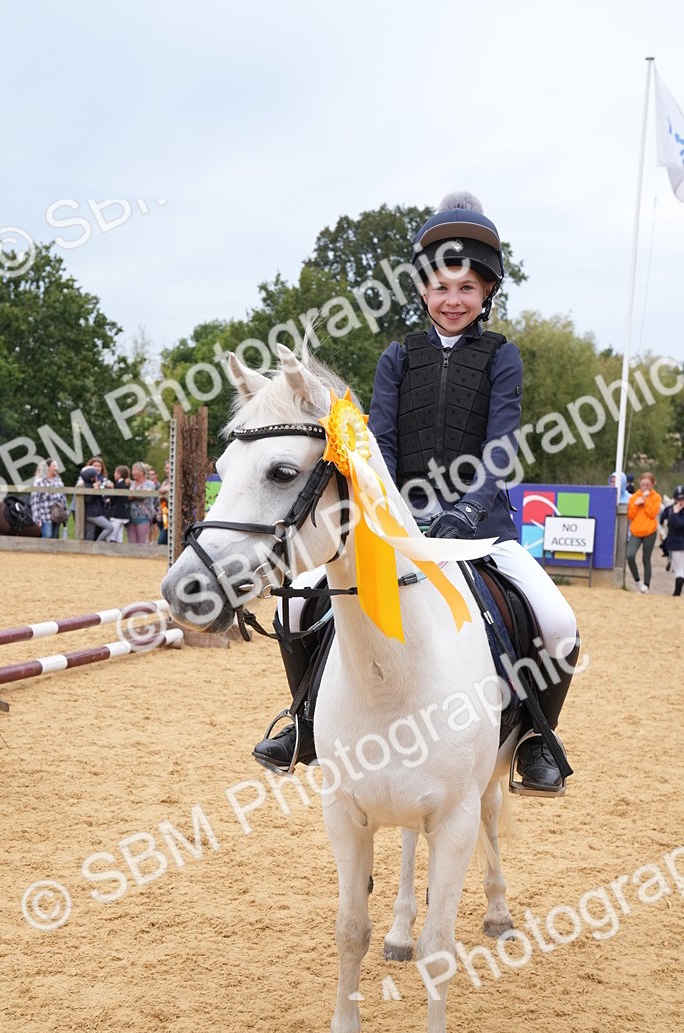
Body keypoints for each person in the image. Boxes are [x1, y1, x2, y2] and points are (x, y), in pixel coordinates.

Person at [253, 192, 579, 795]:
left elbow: (500, 445)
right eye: (441, 288)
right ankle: (301, 720)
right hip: (399, 524)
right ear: (424, 290)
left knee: (558, 622)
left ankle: (537, 738)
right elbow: (380, 444)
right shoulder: (397, 357)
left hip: (483, 529)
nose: (452, 301)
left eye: (467, 290)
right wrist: (402, 510)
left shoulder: (502, 357)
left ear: (487, 295)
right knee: (295, 602)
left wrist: (464, 508)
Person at [626, 471, 662, 593]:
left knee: (646, 558)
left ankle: (646, 586)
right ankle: (637, 581)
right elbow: (630, 515)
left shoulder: (656, 497)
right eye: (643, 485)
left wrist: (646, 501)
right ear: (639, 484)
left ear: (653, 484)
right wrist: (636, 504)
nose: (645, 487)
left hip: (649, 531)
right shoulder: (634, 497)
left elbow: (653, 514)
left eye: (648, 485)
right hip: (636, 531)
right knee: (630, 555)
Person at [30, 459, 69, 538]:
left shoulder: (59, 482)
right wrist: (37, 518)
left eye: (57, 466)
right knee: (47, 535)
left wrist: (65, 514)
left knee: (54, 537)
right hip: (45, 516)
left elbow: (63, 499)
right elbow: (35, 501)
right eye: (54, 466)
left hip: (57, 515)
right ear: (48, 468)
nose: (56, 469)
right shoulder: (39, 483)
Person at [660, 484, 684, 596]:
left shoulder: (673, 511)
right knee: (678, 568)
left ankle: (677, 592)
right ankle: (677, 591)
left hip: (678, 541)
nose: (680, 501)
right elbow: (661, 519)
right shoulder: (669, 509)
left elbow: (678, 524)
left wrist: (675, 513)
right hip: (675, 542)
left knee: (680, 570)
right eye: (678, 499)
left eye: (682, 499)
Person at [79, 466, 113, 540]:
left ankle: (88, 550)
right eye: (95, 476)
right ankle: (98, 543)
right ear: (91, 477)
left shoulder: (92, 485)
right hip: (94, 514)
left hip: (91, 513)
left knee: (90, 535)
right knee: (109, 528)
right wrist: (94, 490)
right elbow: (89, 500)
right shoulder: (88, 487)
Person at [127, 462, 157, 544]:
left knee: (142, 543)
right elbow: (126, 496)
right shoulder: (131, 484)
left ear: (141, 472)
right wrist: (134, 495)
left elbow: (144, 495)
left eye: (135, 470)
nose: (132, 472)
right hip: (130, 516)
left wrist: (133, 495)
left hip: (144, 516)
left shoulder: (149, 484)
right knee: (131, 543)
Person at [106, 465, 132, 542]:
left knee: (112, 534)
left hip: (117, 512)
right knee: (119, 535)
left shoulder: (119, 485)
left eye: (115, 473)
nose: (114, 475)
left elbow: (114, 498)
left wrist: (109, 500)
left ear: (119, 474)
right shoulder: (125, 485)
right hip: (122, 512)